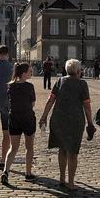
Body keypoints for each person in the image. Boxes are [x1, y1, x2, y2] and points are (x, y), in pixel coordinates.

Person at [40, 58, 94, 190]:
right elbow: (86, 105)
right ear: (78, 70)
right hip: (75, 120)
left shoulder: (60, 81)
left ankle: (62, 178)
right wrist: (90, 122)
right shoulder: (82, 84)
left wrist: (44, 116)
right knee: (73, 151)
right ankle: (71, 182)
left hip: (59, 118)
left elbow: (50, 100)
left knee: (62, 149)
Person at [1, 63, 37, 185]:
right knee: (29, 147)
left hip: (14, 118)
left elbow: (9, 102)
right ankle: (28, 173)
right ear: (23, 73)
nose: (31, 73)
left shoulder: (10, 86)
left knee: (13, 148)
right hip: (27, 118)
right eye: (29, 71)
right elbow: (32, 104)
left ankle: (6, 171)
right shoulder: (29, 87)